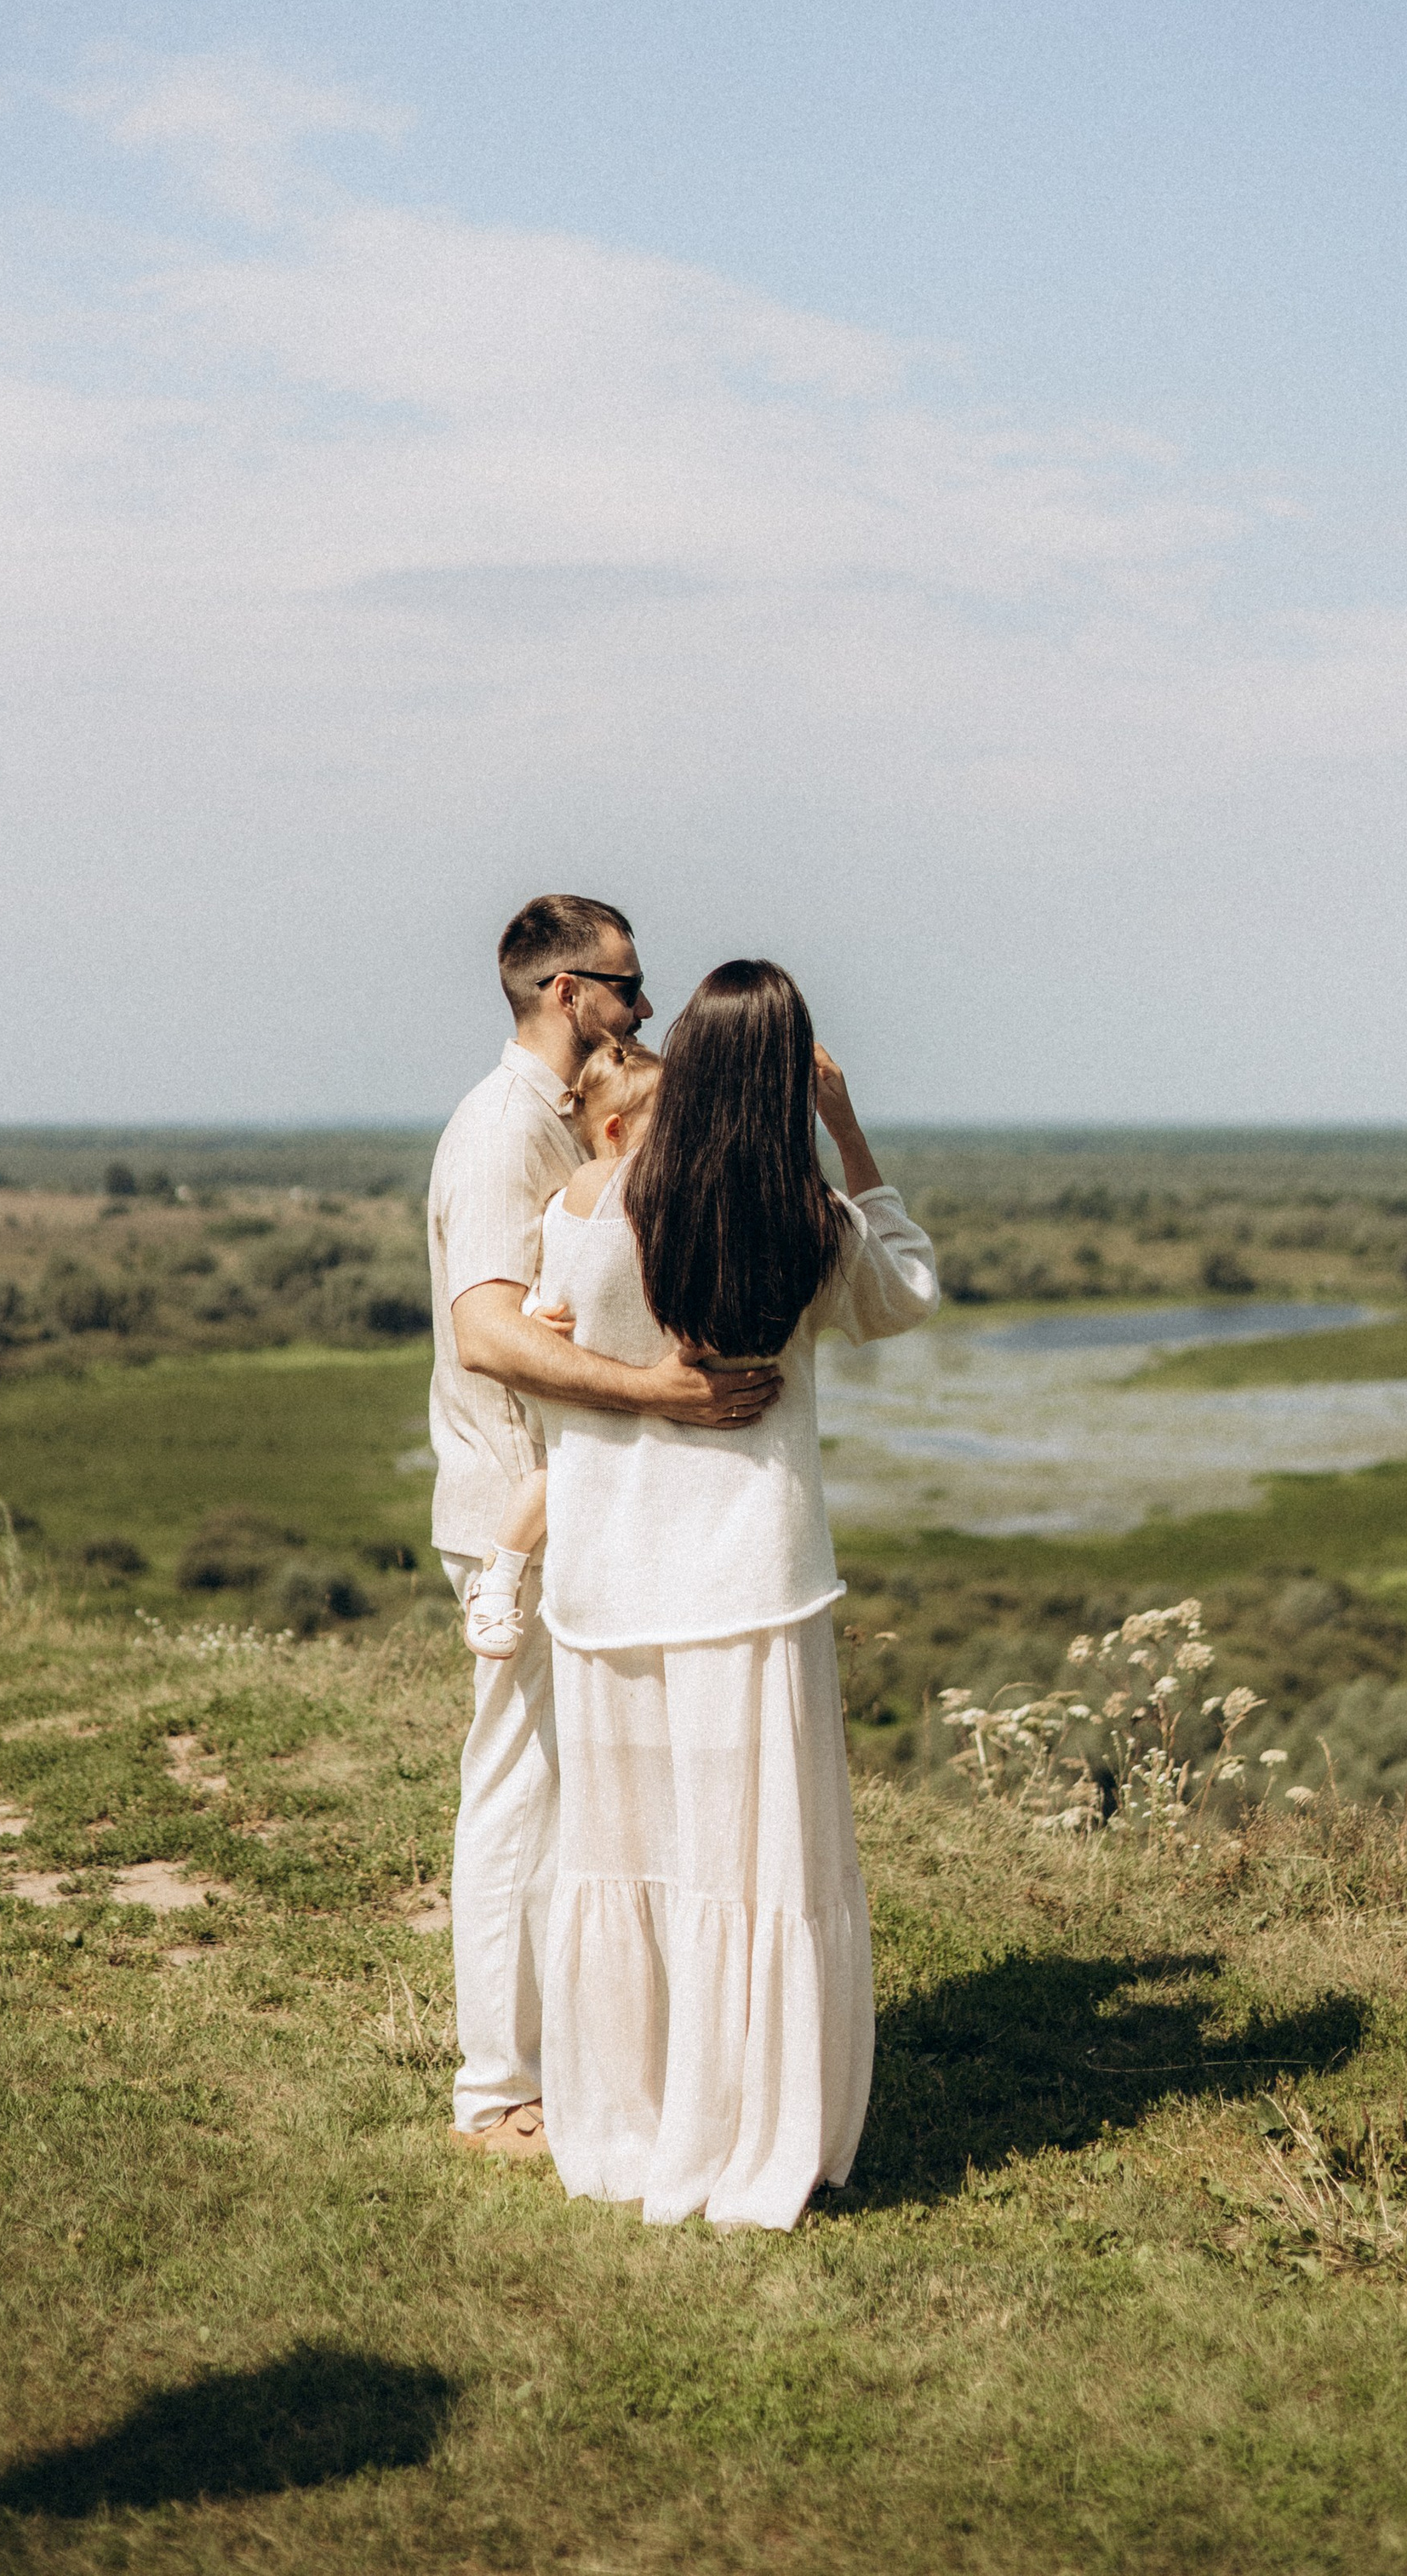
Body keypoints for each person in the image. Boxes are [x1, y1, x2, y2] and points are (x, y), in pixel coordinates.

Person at [532, 960, 938, 2230]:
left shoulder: (590, 1204)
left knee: (632, 1858)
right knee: (751, 1867)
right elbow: (910, 1293)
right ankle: (755, 2129)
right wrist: (849, 1130)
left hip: (609, 1586)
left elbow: (543, 1354)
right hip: (752, 1588)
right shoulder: (809, 1222)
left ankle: (635, 2122)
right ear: (784, 1080)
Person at [428, 899, 780, 2163]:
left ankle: (575, 2065)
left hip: (577, 1501)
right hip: (514, 1496)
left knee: (579, 1799)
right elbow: (487, 1330)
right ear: (569, 992)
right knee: (519, 1793)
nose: (646, 1010)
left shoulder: (555, 1128)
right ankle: (494, 2087)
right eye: (631, 988)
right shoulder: (501, 1132)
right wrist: (666, 1395)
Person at [461, 1038, 663, 1664]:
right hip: (573, 1383)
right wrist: (528, 1318)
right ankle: (498, 1574)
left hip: (615, 1390)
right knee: (552, 1475)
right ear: (614, 1129)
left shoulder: (650, 1202)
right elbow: (537, 1280)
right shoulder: (570, 1201)